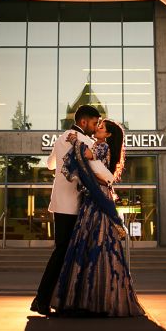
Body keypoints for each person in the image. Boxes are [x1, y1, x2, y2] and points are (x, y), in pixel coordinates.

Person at [51, 118, 144, 317]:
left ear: (108, 135)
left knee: (95, 242)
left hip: (97, 198)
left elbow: (86, 155)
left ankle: (91, 299)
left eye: (100, 127)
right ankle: (99, 299)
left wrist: (76, 140)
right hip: (96, 194)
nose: (97, 129)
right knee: (97, 244)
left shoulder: (101, 147)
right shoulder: (102, 146)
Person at [30, 104, 114, 316]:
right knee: (64, 253)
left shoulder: (61, 138)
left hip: (58, 203)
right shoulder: (83, 140)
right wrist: (111, 178)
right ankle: (42, 299)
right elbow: (100, 171)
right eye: (94, 123)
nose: (96, 128)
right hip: (74, 205)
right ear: (84, 122)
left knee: (62, 251)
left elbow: (50, 164)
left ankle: (48, 299)